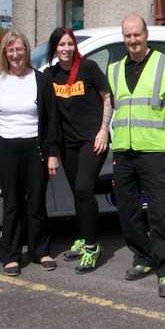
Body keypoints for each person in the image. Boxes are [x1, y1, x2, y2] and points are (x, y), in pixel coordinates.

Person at [108, 14, 165, 298]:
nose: (133, 40)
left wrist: (164, 133)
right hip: (124, 152)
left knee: (161, 211)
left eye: (137, 34)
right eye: (128, 36)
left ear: (146, 34)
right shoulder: (114, 69)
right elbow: (113, 105)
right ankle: (143, 257)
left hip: (153, 150)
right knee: (127, 210)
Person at [0, 31, 60, 276]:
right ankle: (11, 255)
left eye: (20, 49)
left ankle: (40, 250)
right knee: (12, 204)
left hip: (34, 147)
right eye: (10, 50)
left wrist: (52, 153)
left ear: (27, 51)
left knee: (36, 202)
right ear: (5, 52)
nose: (15, 54)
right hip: (6, 148)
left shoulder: (41, 80)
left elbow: (51, 120)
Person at [45, 27, 112, 274]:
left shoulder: (89, 68)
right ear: (55, 48)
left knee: (84, 188)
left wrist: (104, 129)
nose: (66, 49)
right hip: (68, 144)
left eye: (69, 44)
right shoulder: (51, 75)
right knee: (77, 192)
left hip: (92, 140)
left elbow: (107, 97)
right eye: (61, 45)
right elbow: (50, 114)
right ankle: (84, 238)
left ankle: (93, 247)